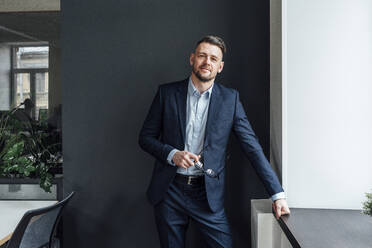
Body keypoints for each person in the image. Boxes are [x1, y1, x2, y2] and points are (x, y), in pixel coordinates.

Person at [139, 35, 290, 248]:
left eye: (213, 58)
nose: (206, 62)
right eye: (202, 56)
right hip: (169, 191)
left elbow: (252, 147)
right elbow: (145, 137)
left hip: (207, 194)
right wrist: (172, 154)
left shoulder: (230, 99)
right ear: (192, 59)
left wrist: (277, 194)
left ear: (220, 66)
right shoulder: (167, 93)